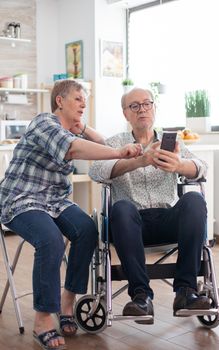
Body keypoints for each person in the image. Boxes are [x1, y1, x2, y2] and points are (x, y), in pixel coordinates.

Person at [0, 80, 142, 350]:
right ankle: (43, 320)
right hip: (21, 198)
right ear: (60, 102)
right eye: (78, 99)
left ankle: (67, 302)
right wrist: (117, 152)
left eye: (85, 100)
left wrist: (84, 127)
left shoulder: (72, 130)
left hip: (54, 200)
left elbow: (105, 142)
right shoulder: (43, 123)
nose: (84, 104)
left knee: (88, 230)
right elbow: (75, 149)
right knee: (51, 239)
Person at [89, 87, 211, 325]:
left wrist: (179, 165)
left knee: (195, 199)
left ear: (154, 108)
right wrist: (139, 161)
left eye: (146, 104)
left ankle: (186, 292)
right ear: (126, 114)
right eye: (134, 106)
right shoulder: (115, 143)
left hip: (167, 218)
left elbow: (202, 167)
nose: (142, 109)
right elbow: (96, 171)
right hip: (130, 222)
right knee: (122, 207)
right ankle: (141, 296)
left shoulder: (172, 142)